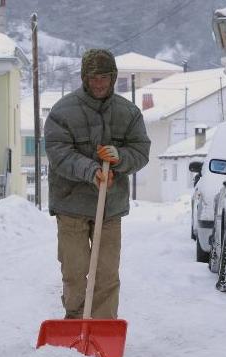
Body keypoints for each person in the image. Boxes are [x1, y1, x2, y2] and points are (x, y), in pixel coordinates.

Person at [44, 49, 151, 319]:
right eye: (94, 77)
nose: (100, 83)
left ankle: (103, 325)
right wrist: (91, 170)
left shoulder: (128, 112)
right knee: (74, 269)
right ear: (84, 78)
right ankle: (76, 319)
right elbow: (59, 153)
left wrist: (121, 157)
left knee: (106, 272)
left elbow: (141, 150)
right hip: (71, 204)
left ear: (113, 77)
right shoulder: (62, 112)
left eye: (105, 77)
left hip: (110, 207)